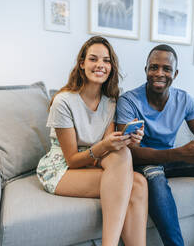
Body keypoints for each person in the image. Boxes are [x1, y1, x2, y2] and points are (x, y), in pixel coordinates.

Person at [116, 44, 194, 246]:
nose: (159, 73)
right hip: (145, 162)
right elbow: (130, 153)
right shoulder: (128, 101)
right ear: (146, 70)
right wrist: (178, 154)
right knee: (154, 174)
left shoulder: (184, 99)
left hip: (171, 160)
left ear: (176, 73)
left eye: (167, 69)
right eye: (153, 67)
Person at [36, 36, 148, 246]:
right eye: (93, 59)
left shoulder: (110, 102)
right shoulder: (63, 101)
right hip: (62, 167)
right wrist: (105, 146)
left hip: (94, 160)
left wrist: (129, 139)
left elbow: (109, 149)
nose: (100, 65)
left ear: (111, 67)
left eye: (106, 61)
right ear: (82, 64)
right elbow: (72, 160)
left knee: (138, 180)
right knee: (135, 182)